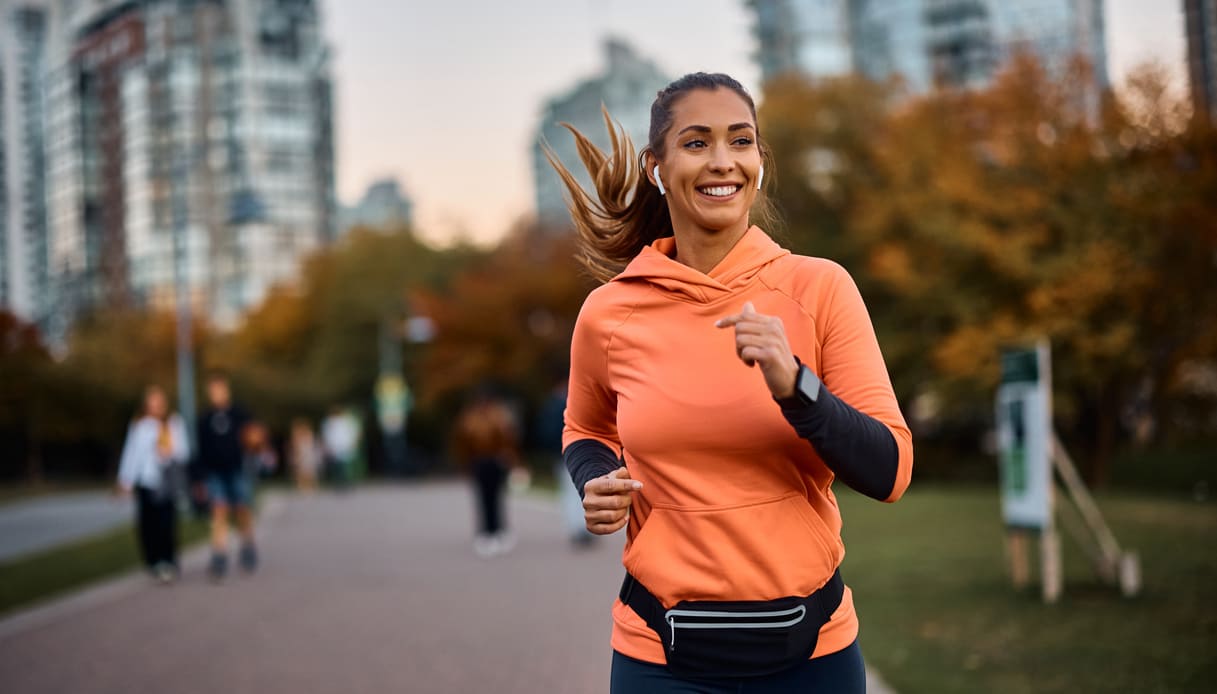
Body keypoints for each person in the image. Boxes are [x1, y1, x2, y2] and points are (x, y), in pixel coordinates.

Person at [551, 73, 914, 692]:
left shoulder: (820, 288)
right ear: (657, 167)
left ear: (759, 163)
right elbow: (585, 427)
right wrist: (594, 479)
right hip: (660, 657)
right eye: (696, 143)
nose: (723, 161)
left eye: (740, 141)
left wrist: (795, 385)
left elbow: (890, 470)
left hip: (813, 655)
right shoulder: (610, 313)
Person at [116, 385, 189, 583]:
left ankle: (169, 560)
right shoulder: (140, 425)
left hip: (166, 481)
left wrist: (169, 451)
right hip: (146, 481)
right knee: (148, 524)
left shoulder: (173, 423)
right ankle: (154, 561)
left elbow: (183, 452)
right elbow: (131, 453)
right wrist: (125, 480)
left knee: (167, 523)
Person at [194, 372, 259, 581]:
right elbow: (200, 451)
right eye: (213, 390)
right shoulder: (204, 419)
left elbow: (254, 436)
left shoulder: (239, 414)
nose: (217, 393)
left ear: (226, 389)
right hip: (214, 472)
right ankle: (219, 554)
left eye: (220, 389)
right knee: (219, 511)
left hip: (237, 469)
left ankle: (248, 545)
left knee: (241, 509)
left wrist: (255, 442)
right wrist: (198, 478)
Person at [451, 388, 521, 558]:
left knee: (496, 497)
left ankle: (499, 529)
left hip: (495, 461)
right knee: (483, 498)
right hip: (479, 463)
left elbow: (508, 440)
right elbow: (462, 443)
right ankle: (486, 532)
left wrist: (511, 460)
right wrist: (465, 465)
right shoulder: (470, 419)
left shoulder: (498, 417)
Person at [288, 418, 323, 494]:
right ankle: (303, 487)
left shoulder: (307, 434)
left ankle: (309, 487)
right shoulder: (298, 435)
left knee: (308, 470)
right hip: (303, 454)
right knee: (302, 471)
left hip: (307, 454)